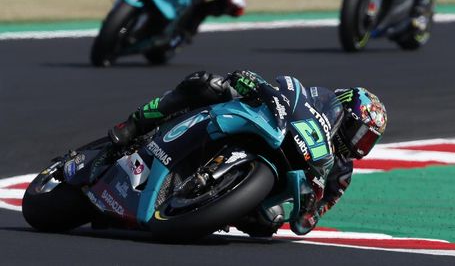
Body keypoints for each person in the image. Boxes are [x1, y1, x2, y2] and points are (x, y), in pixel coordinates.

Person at [109, 70, 388, 236]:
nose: (358, 143)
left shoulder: (342, 174)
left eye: (367, 141)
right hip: (267, 129)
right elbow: (287, 92)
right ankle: (134, 123)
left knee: (269, 223)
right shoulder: (316, 102)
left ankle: (213, 209)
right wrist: (254, 82)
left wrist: (310, 212)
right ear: (344, 113)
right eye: (358, 132)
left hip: (272, 186)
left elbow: (316, 214)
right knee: (208, 84)